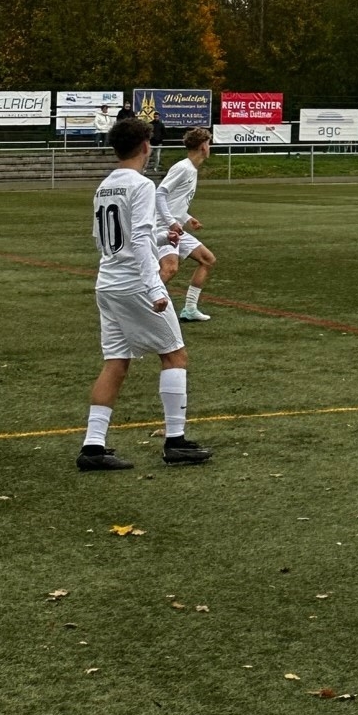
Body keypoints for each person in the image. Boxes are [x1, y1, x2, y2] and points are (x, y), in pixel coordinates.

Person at [77, 118, 212, 472]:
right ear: (146, 147)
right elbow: (136, 237)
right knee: (175, 356)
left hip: (107, 282)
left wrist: (161, 239)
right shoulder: (141, 185)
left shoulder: (104, 186)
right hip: (134, 283)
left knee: (116, 362)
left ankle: (92, 447)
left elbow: (107, 239)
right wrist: (155, 285)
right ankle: (176, 441)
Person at [157, 128, 217, 322]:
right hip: (162, 227)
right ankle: (139, 306)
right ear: (202, 146)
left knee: (207, 260)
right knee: (170, 269)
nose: (210, 147)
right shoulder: (183, 168)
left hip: (175, 226)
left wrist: (187, 217)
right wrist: (172, 222)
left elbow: (175, 201)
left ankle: (190, 309)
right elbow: (160, 194)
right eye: (209, 143)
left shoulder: (191, 169)